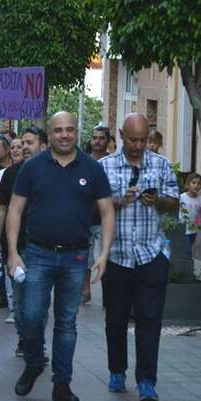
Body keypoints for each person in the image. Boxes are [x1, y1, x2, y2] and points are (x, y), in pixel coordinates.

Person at [6, 112, 114, 401]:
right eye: (58, 130)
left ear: (77, 132)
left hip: (76, 257)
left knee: (66, 323)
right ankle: (34, 362)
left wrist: (103, 254)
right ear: (49, 134)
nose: (64, 135)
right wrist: (14, 252)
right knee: (29, 317)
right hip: (37, 254)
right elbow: (15, 210)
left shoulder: (92, 168)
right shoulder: (32, 168)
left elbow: (106, 212)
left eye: (69, 130)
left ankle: (62, 384)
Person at [99, 113, 179, 401]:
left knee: (150, 319)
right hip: (117, 255)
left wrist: (156, 200)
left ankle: (147, 381)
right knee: (116, 319)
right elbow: (95, 209)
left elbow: (173, 205)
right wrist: (120, 200)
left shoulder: (161, 165)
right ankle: (116, 372)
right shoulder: (103, 167)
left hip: (151, 254)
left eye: (143, 139)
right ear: (121, 135)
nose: (138, 145)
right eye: (132, 139)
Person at [0, 126, 47, 356]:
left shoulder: (52, 172)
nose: (25, 147)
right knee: (20, 299)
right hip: (17, 247)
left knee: (39, 301)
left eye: (30, 142)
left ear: (43, 146)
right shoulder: (10, 174)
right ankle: (24, 338)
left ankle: (36, 343)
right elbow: (3, 210)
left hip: (44, 247)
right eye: (22, 143)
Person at [0, 136, 23, 323]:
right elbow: (0, 206)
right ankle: (13, 308)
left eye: (20, 146)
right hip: (10, 232)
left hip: (30, 234)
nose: (17, 150)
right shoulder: (6, 174)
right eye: (14, 147)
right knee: (11, 271)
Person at [83, 124, 113, 303]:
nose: (97, 141)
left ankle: (109, 292)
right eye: (95, 138)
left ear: (108, 141)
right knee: (85, 256)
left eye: (101, 138)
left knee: (107, 253)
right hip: (86, 216)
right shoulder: (84, 162)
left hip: (105, 217)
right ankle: (86, 290)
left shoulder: (112, 163)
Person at [179, 173, 201, 259]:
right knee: (187, 252)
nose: (196, 185)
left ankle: (183, 268)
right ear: (188, 184)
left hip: (193, 230)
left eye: (199, 183)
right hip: (182, 229)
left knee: (189, 249)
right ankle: (186, 270)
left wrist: (199, 225)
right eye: (193, 183)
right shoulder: (182, 197)